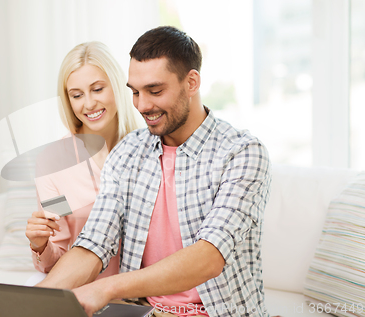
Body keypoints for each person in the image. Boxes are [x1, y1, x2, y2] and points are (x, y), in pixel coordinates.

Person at [37, 26, 272, 317]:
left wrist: (106, 288)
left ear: (192, 82)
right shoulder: (128, 152)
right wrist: (31, 303)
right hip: (144, 312)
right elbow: (94, 244)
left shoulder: (241, 152)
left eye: (155, 90)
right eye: (135, 92)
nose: (143, 105)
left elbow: (208, 257)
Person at [24, 41, 142, 284]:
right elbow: (56, 261)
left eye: (98, 89)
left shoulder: (148, 149)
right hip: (85, 293)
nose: (88, 104)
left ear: (117, 87)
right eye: (77, 95)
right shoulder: (55, 163)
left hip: (144, 292)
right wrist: (41, 244)